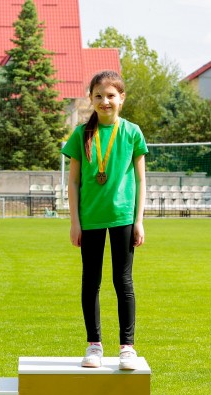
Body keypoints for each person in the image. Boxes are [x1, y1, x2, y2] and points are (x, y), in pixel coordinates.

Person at [62, 70, 148, 370]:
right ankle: (94, 345)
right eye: (98, 96)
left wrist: (139, 220)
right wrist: (74, 222)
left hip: (123, 216)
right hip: (90, 219)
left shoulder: (132, 132)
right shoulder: (80, 134)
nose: (105, 101)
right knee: (91, 281)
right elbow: (73, 182)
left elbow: (141, 180)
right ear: (91, 99)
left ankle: (127, 347)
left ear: (121, 98)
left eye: (111, 95)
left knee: (123, 281)